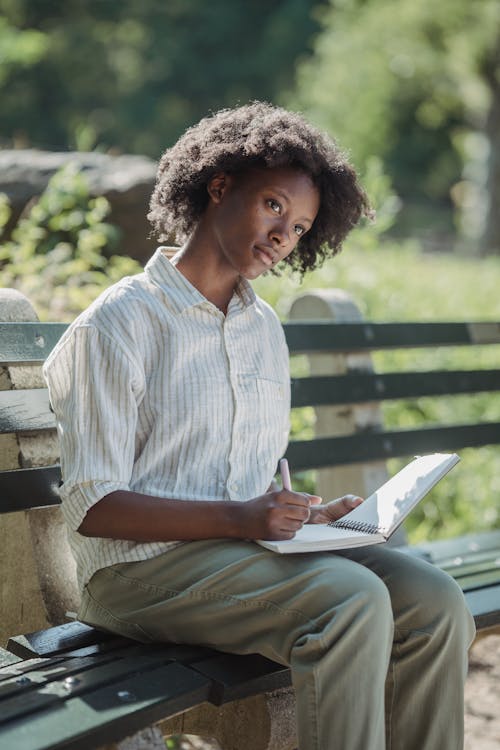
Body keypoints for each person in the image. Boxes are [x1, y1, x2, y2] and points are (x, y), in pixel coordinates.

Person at [44, 102, 475, 750]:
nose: (283, 235)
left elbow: (250, 483)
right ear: (219, 186)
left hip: (241, 557)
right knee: (350, 602)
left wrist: (312, 518)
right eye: (274, 206)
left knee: (435, 602)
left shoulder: (262, 329)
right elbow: (93, 505)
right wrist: (241, 519)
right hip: (137, 575)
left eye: (300, 227)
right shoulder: (119, 323)